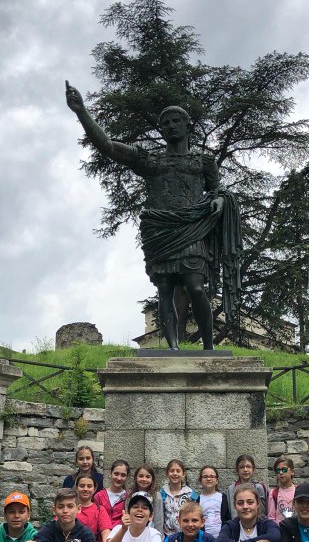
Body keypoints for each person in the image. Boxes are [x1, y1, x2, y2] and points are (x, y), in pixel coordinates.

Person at [65, 83, 241, 351]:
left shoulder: (203, 161)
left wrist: (219, 200)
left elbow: (217, 190)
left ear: (187, 126)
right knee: (165, 290)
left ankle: (209, 347)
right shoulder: (150, 160)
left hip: (191, 229)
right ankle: (173, 347)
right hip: (159, 232)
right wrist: (81, 112)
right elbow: (108, 146)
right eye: (166, 123)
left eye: (176, 121)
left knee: (195, 287)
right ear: (161, 129)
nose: (171, 126)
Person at [158, 459, 200, 536]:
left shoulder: (190, 494)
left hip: (185, 534)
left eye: (178, 471)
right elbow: (159, 516)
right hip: (167, 534)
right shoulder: (162, 493)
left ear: (183, 474)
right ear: (167, 474)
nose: (175, 473)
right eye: (172, 471)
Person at [75, 474, 111, 542]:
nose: (85, 489)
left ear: (94, 489)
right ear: (76, 488)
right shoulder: (69, 507)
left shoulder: (99, 509)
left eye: (89, 486)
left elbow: (105, 531)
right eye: (82, 486)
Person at [93, 460, 131, 529]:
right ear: (110, 474)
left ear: (127, 477)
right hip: (102, 534)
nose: (119, 478)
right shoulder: (99, 496)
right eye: (116, 474)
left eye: (123, 475)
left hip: (121, 533)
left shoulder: (129, 497)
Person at [129, 463, 164, 534]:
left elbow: (158, 521)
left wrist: (158, 537)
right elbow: (128, 517)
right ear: (135, 478)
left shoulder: (156, 496)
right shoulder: (130, 496)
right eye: (141, 476)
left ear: (152, 479)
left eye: (148, 477)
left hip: (151, 534)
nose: (144, 479)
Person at [198, 465, 230, 538]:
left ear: (217, 480)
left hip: (221, 537)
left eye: (212, 476)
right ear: (200, 480)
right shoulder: (198, 499)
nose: (209, 479)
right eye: (205, 477)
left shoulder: (223, 497)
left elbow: (227, 518)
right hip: (204, 538)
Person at [267, 457, 296, 523]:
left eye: (284, 470)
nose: (280, 472)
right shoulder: (273, 493)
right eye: (277, 470)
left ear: (292, 472)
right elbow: (271, 518)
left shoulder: (299, 491)